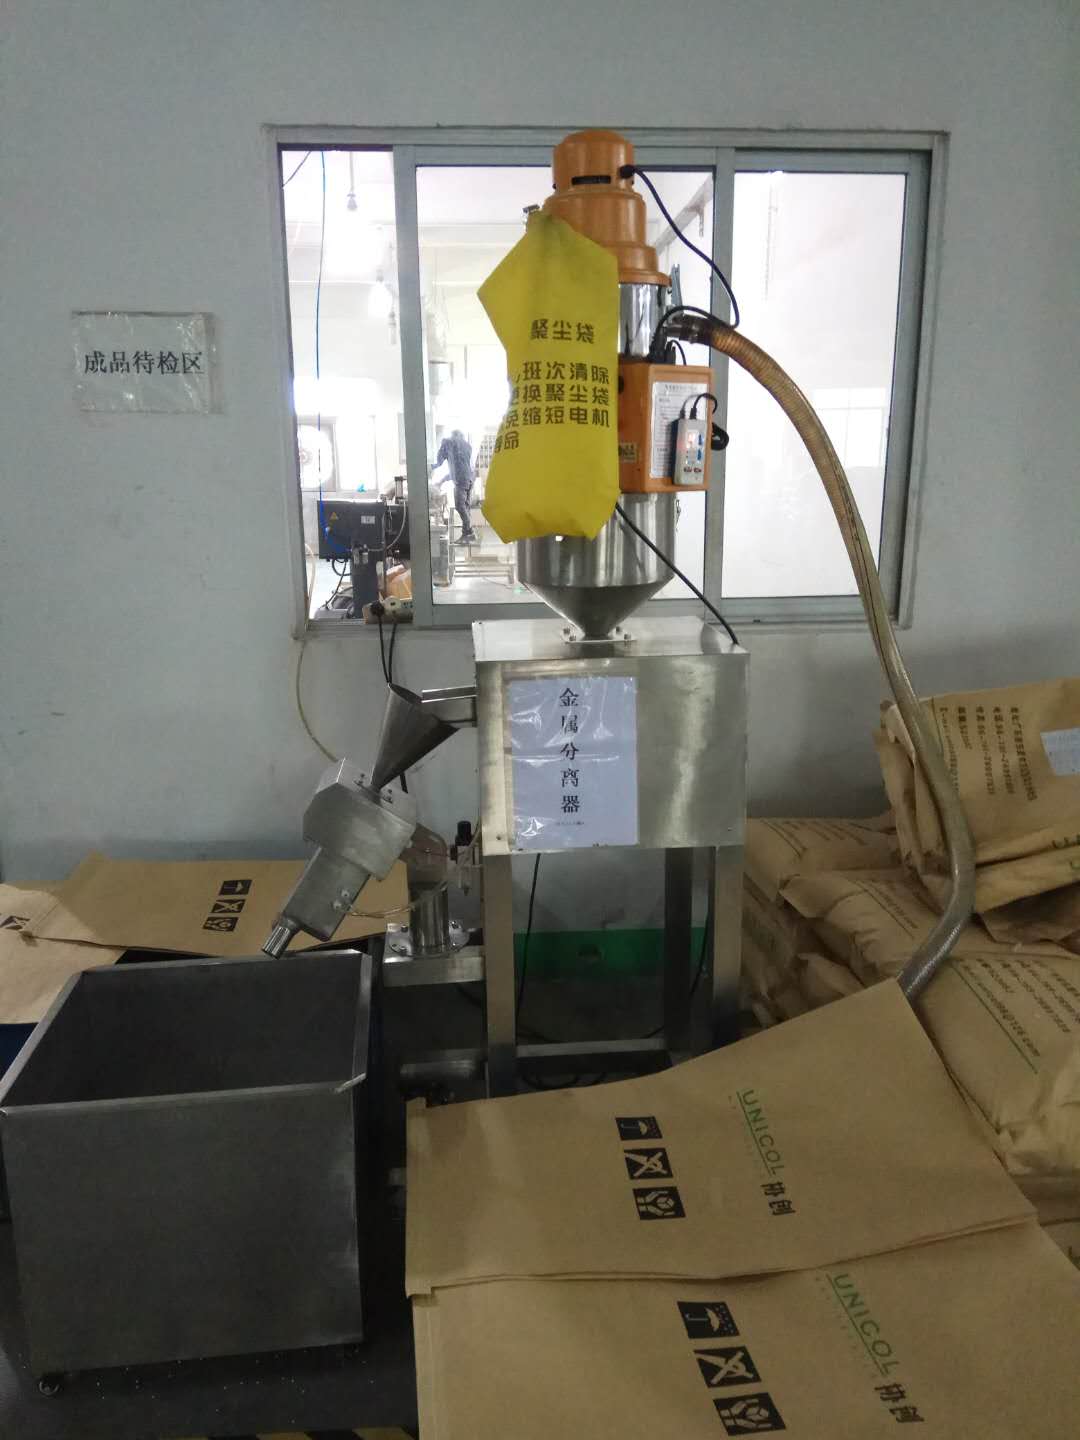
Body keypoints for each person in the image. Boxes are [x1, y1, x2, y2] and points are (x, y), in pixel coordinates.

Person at [436, 428, 477, 544]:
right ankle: (466, 534)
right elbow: (460, 467)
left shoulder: (448, 442)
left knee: (459, 506)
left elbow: (439, 461)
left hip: (461, 481)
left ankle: (469, 531)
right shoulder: (467, 446)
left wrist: (432, 466)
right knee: (466, 507)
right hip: (470, 479)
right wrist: (442, 480)